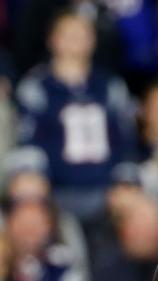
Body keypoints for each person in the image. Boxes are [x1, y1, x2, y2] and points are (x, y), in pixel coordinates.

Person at [15, 11, 135, 223]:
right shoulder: (36, 87)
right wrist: (32, 174)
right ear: (53, 40)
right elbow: (27, 139)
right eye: (68, 34)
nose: (76, 41)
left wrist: (125, 178)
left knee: (141, 213)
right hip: (54, 191)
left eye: (82, 34)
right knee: (26, 201)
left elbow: (125, 140)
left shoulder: (110, 86)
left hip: (107, 191)